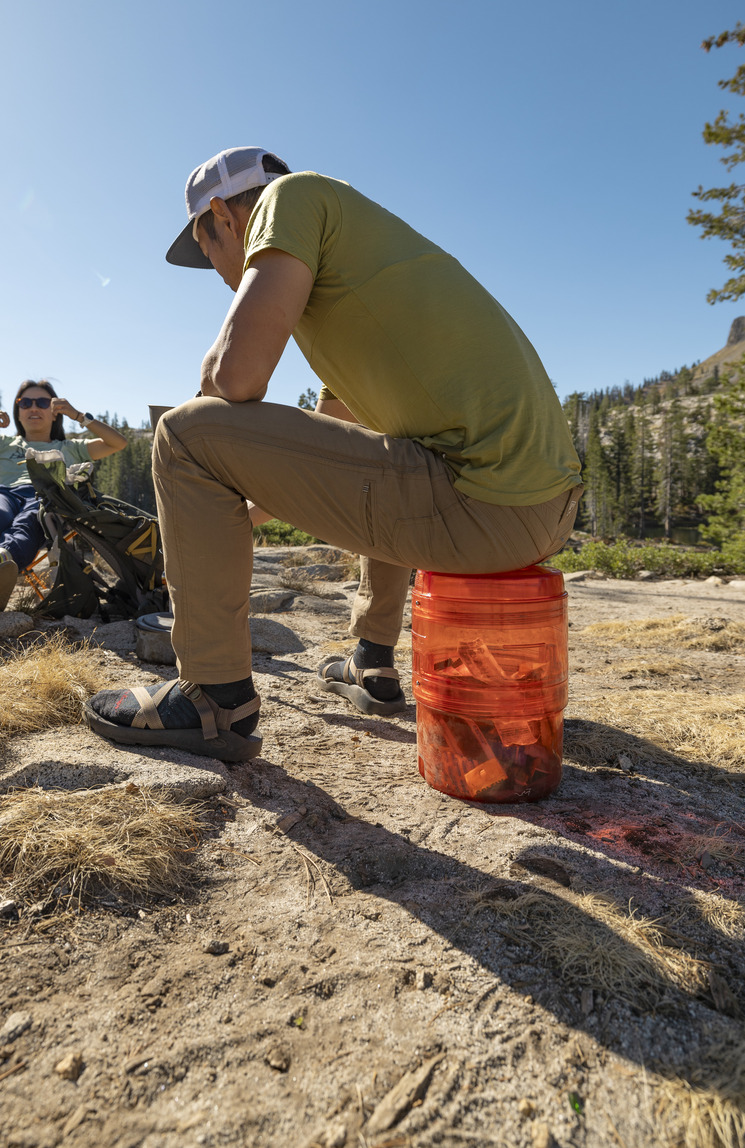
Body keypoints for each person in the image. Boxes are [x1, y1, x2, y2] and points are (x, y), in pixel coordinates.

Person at [85, 147, 583, 762]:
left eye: (205, 246)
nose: (214, 269)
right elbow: (331, 458)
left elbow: (233, 380)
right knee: (389, 449)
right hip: (539, 507)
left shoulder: (291, 199)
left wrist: (186, 470)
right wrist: (211, 524)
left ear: (222, 214)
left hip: (483, 504)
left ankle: (213, 701)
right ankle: (371, 661)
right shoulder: (354, 270)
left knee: (184, 431)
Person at [0, 380, 127, 610]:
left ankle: (4, 558)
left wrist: (78, 415)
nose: (34, 408)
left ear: (55, 412)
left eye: (42, 402)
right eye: (26, 402)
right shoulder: (5, 443)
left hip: (45, 497)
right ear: (17, 412)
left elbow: (117, 443)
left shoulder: (69, 448)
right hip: (4, 494)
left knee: (30, 522)